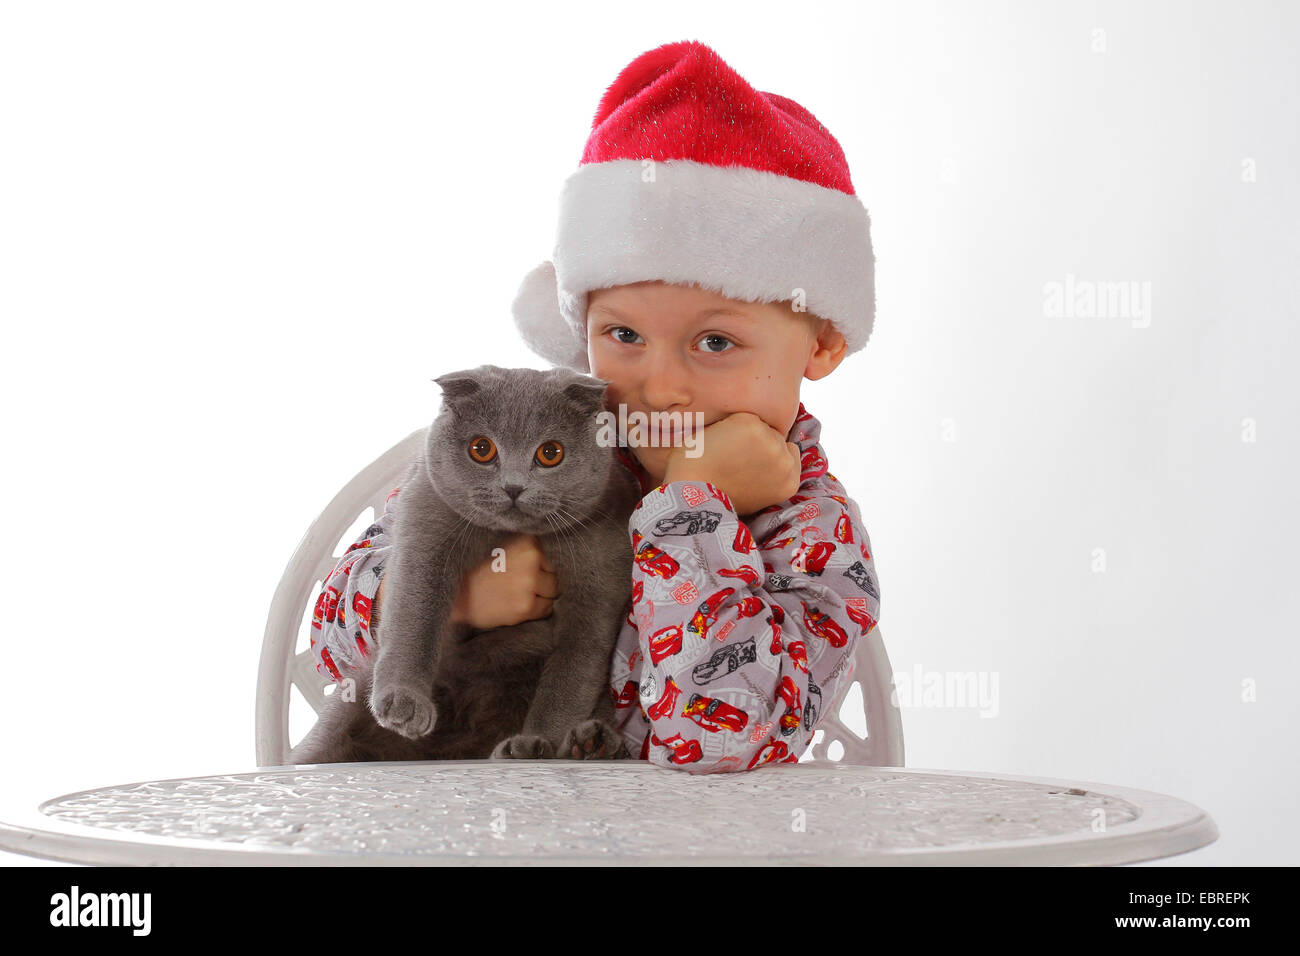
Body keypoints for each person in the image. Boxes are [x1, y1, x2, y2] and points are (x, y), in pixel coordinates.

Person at [307, 39, 883, 772]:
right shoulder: (546, 439)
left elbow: (721, 739)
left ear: (822, 344)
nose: (660, 386)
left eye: (714, 343)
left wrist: (690, 506)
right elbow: (326, 638)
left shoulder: (810, 531)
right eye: (623, 335)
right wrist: (459, 601)